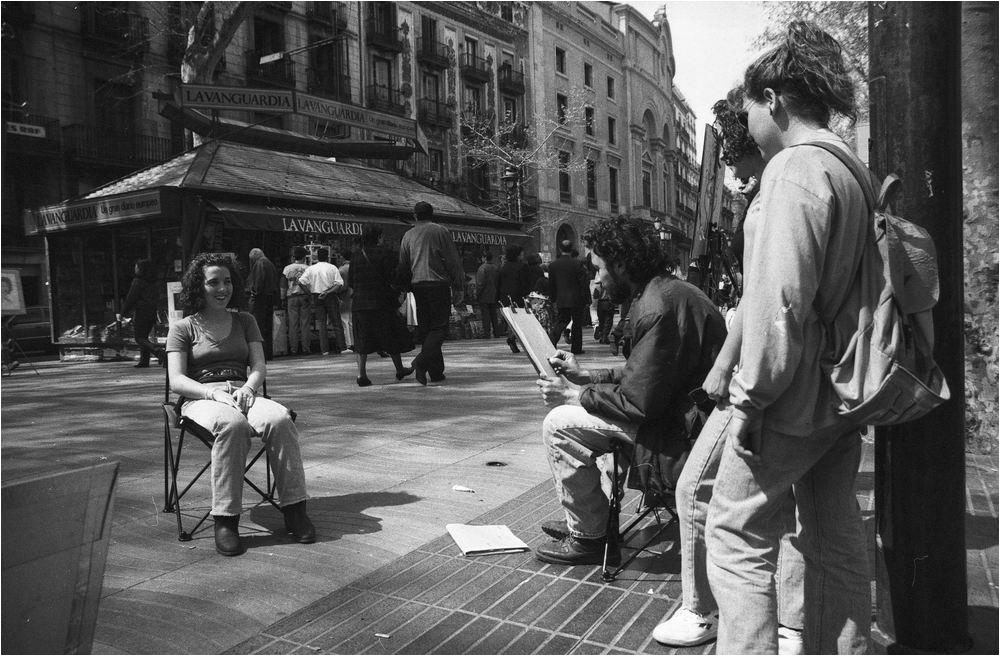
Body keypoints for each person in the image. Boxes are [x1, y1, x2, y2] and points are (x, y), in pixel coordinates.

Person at [702, 22, 871, 655]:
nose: (747, 123)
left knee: (735, 534)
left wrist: (750, 397)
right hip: (842, 391)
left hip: (791, 397)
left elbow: (779, 305)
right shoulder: (849, 167)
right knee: (833, 536)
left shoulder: (793, 170)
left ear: (772, 98)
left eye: (747, 108)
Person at [652, 88, 805, 653]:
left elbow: (767, 294)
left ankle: (705, 610)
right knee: (797, 503)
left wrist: (724, 369)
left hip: (763, 372)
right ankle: (793, 620)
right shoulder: (829, 177)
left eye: (736, 160)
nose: (734, 177)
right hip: (814, 375)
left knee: (699, 489)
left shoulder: (774, 195)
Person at [532, 215, 726, 566]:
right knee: (588, 414)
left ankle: (591, 536)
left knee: (559, 423)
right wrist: (589, 376)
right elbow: (648, 372)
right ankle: (590, 520)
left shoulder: (656, 306)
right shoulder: (668, 291)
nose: (597, 279)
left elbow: (639, 402)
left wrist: (572, 396)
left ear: (620, 263)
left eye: (599, 269)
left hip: (683, 432)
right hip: (688, 417)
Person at [165, 252, 314, 556]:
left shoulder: (245, 321)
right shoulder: (183, 328)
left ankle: (295, 509)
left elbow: (259, 366)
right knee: (231, 425)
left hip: (243, 391)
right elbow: (177, 381)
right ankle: (226, 520)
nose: (223, 288)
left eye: (228, 281)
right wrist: (212, 394)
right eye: (213, 282)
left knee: (280, 419)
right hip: (200, 397)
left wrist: (248, 387)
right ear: (198, 287)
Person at [397, 201, 465, 385]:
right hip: (438, 284)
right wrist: (458, 285)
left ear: (415, 215)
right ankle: (420, 362)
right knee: (440, 328)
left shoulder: (408, 235)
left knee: (428, 329)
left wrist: (405, 288)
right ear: (432, 214)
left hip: (417, 285)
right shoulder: (440, 231)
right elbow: (453, 260)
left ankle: (435, 371)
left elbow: (403, 265)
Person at [347, 227, 415, 386]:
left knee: (361, 340)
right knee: (390, 335)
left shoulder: (356, 256)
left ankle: (361, 374)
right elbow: (394, 276)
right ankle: (399, 369)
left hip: (360, 303)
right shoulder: (385, 253)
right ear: (378, 237)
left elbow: (351, 282)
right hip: (381, 302)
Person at [297, 248, 347, 356]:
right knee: (336, 323)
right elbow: (339, 284)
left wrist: (309, 293)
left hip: (316, 296)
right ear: (328, 256)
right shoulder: (332, 267)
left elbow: (300, 281)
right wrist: (328, 292)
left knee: (321, 324)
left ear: (317, 257)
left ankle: (324, 350)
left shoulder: (311, 269)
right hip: (330, 296)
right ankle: (342, 347)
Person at [117, 258, 165, 368]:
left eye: (137, 266)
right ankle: (144, 361)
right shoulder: (153, 281)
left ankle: (158, 352)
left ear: (141, 269)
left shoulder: (138, 281)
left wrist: (123, 312)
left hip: (142, 311)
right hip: (151, 311)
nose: (135, 268)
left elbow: (131, 298)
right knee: (144, 336)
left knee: (139, 338)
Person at [547, 240, 589, 354]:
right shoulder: (578, 264)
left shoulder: (553, 265)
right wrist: (586, 298)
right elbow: (583, 283)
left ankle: (551, 341)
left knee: (561, 320)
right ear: (572, 249)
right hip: (576, 298)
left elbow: (551, 283)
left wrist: (553, 297)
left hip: (561, 298)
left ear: (560, 249)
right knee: (577, 323)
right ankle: (576, 348)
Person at [246, 248, 280, 360]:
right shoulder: (269, 263)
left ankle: (260, 354)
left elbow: (258, 283)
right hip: (268, 297)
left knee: (258, 327)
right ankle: (267, 353)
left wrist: (254, 293)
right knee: (267, 327)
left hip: (260, 299)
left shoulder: (260, 263)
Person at [497, 244, 531, 353]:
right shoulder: (522, 266)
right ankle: (513, 338)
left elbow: (498, 283)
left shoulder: (503, 267)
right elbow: (525, 283)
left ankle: (512, 337)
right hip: (518, 297)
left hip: (505, 297)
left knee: (512, 320)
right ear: (517, 255)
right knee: (521, 320)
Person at [282, 247, 312, 355]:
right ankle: (306, 348)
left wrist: (282, 298)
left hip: (291, 297)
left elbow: (283, 285)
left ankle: (293, 348)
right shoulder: (308, 268)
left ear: (294, 257)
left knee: (293, 324)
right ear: (304, 257)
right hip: (304, 297)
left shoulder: (287, 269)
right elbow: (310, 284)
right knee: (305, 323)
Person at [474, 252, 501, 339]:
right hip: (494, 294)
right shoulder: (496, 268)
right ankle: (497, 332)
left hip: (484, 295)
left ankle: (487, 333)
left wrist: (477, 294)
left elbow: (480, 283)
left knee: (485, 315)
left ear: (484, 258)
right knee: (494, 315)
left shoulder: (482, 268)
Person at [338, 252, 354, 351]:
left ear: (343, 257)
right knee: (352, 321)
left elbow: (342, 286)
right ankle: (354, 341)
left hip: (345, 297)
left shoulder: (341, 270)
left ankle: (348, 343)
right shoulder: (355, 267)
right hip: (354, 296)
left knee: (344, 320)